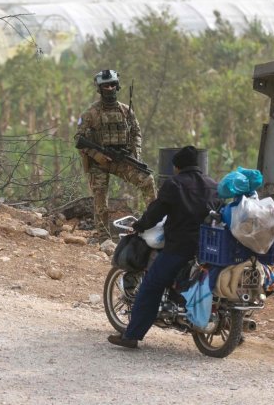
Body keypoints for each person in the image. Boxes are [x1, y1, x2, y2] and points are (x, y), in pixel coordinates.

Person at [108, 146, 217, 349]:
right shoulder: (213, 185)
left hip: (179, 247)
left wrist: (139, 226)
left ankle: (131, 335)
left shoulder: (174, 184)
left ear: (176, 166)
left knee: (151, 286)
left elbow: (156, 212)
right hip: (208, 249)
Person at [75, 69, 156, 238]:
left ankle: (154, 224)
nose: (110, 88)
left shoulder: (126, 111)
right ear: (100, 88)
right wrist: (97, 155)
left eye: (112, 85)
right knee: (100, 201)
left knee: (147, 180)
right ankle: (103, 238)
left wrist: (136, 153)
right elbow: (78, 139)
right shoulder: (90, 113)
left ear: (117, 86)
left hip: (121, 159)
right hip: (99, 163)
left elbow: (136, 134)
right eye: (106, 86)